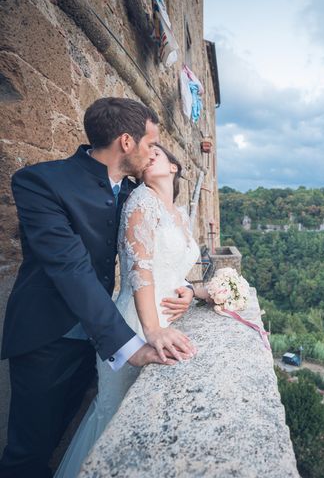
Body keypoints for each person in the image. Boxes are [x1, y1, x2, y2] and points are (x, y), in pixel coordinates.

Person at [0, 98, 197, 478]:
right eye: (150, 143)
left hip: (98, 335)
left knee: (65, 436)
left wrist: (186, 287)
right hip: (48, 338)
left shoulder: (131, 192)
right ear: (127, 141)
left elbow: (152, 251)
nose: (153, 151)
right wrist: (134, 345)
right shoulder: (40, 182)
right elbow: (70, 269)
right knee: (28, 452)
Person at [54, 144, 200, 477]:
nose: (149, 155)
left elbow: (176, 270)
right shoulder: (142, 200)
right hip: (136, 320)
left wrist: (191, 291)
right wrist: (151, 329)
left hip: (169, 317)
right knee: (115, 414)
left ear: (174, 167)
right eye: (146, 152)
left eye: (158, 153)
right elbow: (140, 270)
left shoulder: (178, 213)